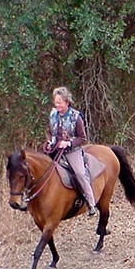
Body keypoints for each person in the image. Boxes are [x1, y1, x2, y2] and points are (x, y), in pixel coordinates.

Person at [45, 86, 96, 216]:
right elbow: (50, 132)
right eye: (55, 102)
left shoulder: (76, 117)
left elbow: (82, 138)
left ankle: (91, 203)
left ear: (66, 102)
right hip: (55, 149)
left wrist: (68, 143)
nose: (57, 105)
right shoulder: (53, 115)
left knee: (80, 173)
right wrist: (50, 142)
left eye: (59, 103)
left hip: (73, 151)